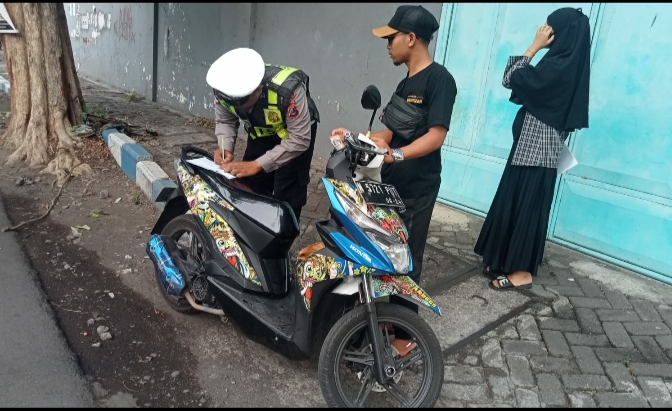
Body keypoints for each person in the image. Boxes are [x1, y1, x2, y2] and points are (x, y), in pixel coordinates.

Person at [331, 5, 457, 355]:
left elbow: (436, 135)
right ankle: (385, 316)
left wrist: (396, 155)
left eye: (392, 38)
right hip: (390, 184)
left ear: (411, 38)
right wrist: (356, 138)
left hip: (417, 186)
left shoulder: (439, 80)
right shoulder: (405, 82)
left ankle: (405, 337)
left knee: (406, 258)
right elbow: (390, 132)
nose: (388, 46)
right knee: (384, 249)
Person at [474, 7, 591, 291]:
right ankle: (505, 260)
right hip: (531, 146)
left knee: (527, 206)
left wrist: (533, 47)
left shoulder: (558, 68)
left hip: (537, 148)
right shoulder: (562, 65)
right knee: (516, 201)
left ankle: (522, 272)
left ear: (559, 34)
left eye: (548, 28)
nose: (543, 31)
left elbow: (510, 78)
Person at [206, 48, 320, 220]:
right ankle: (254, 225)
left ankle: (284, 232)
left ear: (258, 88)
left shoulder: (288, 90)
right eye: (231, 102)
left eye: (242, 102)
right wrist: (225, 147)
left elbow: (299, 139)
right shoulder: (223, 90)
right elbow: (225, 121)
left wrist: (257, 164)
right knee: (250, 185)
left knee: (288, 191)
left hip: (295, 135)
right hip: (260, 133)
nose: (237, 108)